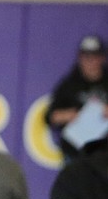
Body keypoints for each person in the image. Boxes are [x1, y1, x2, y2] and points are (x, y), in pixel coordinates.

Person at [46, 35, 108, 163]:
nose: (90, 62)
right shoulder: (70, 84)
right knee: (74, 181)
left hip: (104, 155)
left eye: (94, 57)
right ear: (80, 58)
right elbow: (49, 116)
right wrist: (68, 115)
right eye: (86, 57)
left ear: (102, 58)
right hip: (75, 154)